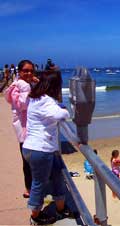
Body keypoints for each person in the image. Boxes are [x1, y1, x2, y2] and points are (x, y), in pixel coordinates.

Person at [22, 69, 72, 224]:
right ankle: (36, 217)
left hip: (33, 148)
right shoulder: (46, 100)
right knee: (39, 183)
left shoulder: (36, 98)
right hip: (41, 150)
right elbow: (61, 115)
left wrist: (57, 106)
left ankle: (60, 207)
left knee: (57, 174)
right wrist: (64, 110)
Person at [4, 60, 37, 199]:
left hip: (31, 127)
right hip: (24, 128)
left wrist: (37, 83)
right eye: (26, 71)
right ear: (19, 71)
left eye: (31, 71)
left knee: (32, 160)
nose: (29, 73)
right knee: (28, 161)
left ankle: (32, 186)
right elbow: (23, 105)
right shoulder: (18, 87)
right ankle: (29, 188)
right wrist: (26, 87)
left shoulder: (26, 84)